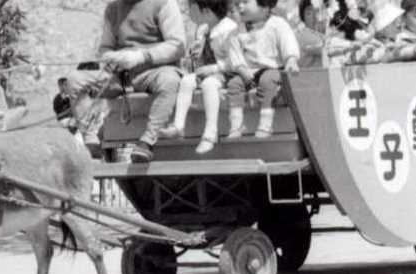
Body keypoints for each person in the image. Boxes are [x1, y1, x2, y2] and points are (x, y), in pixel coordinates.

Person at [66, 0, 186, 163]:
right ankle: (91, 140)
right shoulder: (113, 9)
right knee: (74, 80)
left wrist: (142, 56)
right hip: (121, 75)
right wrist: (112, 57)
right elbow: (105, 48)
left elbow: (177, 45)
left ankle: (147, 141)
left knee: (170, 80)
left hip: (154, 72)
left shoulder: (164, 4)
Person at [160, 0, 238, 154]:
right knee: (187, 80)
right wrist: (197, 54)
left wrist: (213, 68)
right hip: (209, 71)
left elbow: (236, 61)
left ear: (206, 12)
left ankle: (210, 134)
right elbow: (203, 56)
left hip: (227, 73)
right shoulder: (203, 29)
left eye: (191, 8)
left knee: (209, 84)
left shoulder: (229, 29)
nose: (188, 12)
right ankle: (178, 126)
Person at [226, 0, 300, 138]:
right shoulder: (237, 31)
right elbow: (234, 54)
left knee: (267, 81)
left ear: (264, 5)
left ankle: (265, 124)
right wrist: (242, 69)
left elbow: (288, 43)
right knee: (234, 84)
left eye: (245, 2)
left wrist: (291, 59)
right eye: (238, 3)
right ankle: (236, 125)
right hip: (248, 71)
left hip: (272, 68)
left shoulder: (278, 24)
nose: (240, 6)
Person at [295, 0, 326, 68]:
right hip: (306, 77)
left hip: (318, 76)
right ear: (303, 17)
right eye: (309, 13)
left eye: (316, 12)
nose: (314, 16)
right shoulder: (303, 35)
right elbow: (327, 48)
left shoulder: (318, 35)